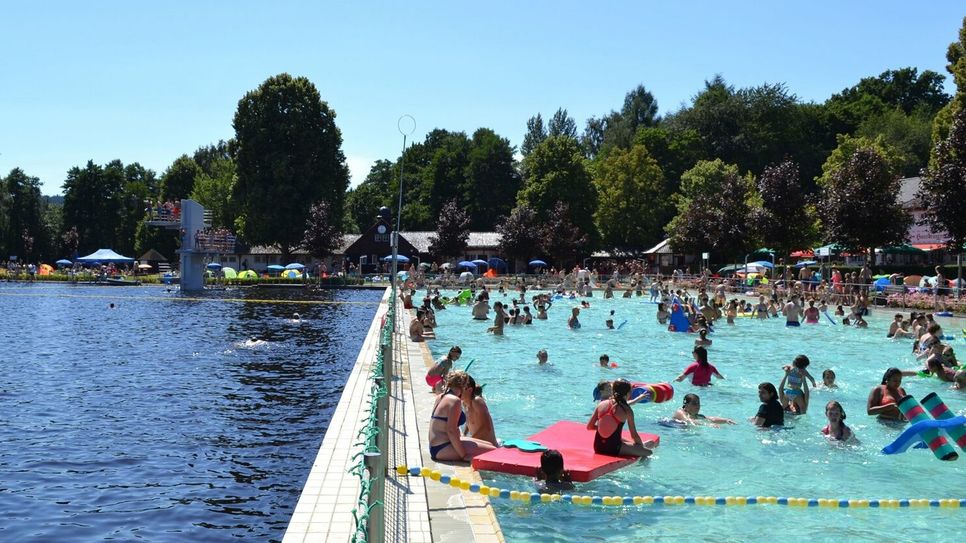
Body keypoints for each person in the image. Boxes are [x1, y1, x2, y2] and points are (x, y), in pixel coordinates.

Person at [427, 371, 496, 461]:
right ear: (463, 386)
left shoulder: (440, 397)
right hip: (443, 448)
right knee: (493, 451)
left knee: (491, 446)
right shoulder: (455, 401)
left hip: (435, 447)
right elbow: (451, 430)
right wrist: (463, 455)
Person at [586, 379, 655, 457]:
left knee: (618, 438)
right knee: (649, 452)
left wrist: (605, 427)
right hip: (613, 449)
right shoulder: (627, 410)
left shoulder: (601, 404)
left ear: (613, 390)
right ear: (628, 393)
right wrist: (640, 447)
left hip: (598, 447)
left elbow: (589, 427)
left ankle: (637, 446)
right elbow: (634, 435)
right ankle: (641, 447)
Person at [462, 375, 497, 446]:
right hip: (478, 444)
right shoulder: (465, 404)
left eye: (460, 388)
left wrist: (470, 440)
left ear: (469, 390)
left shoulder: (477, 401)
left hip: (489, 446)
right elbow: (469, 422)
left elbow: (487, 427)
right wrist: (464, 435)